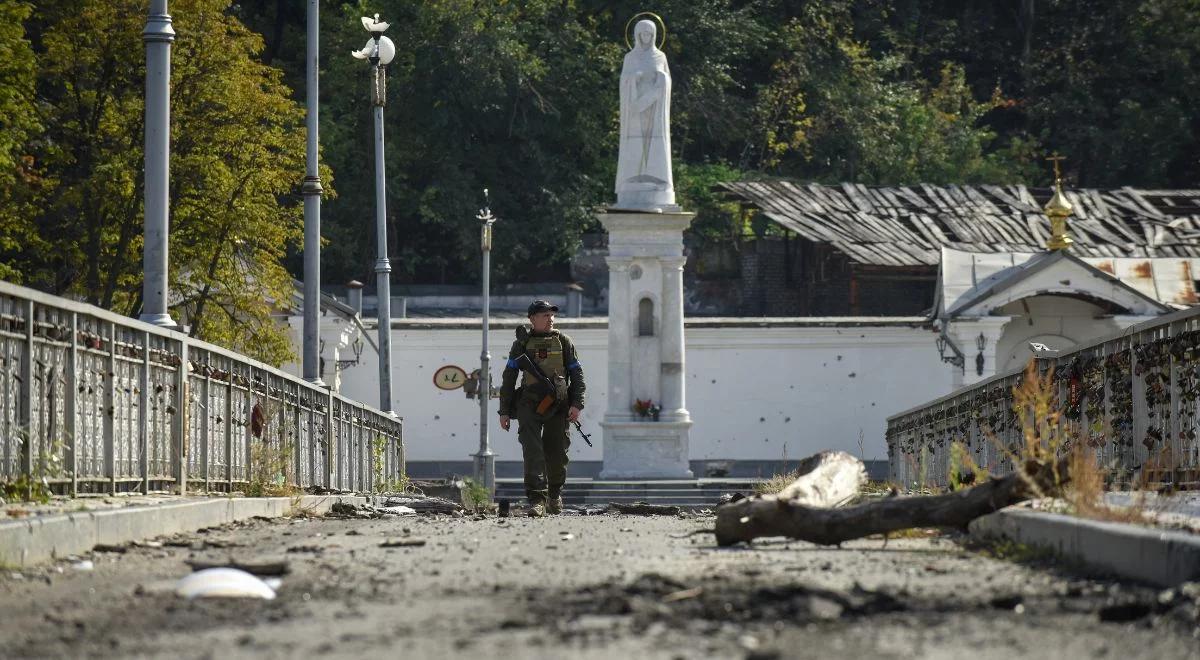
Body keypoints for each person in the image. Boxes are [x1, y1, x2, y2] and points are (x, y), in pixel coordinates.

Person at [498, 300, 585, 517]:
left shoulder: (564, 341)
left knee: (557, 452)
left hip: (558, 405)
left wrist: (576, 404)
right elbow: (509, 378)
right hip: (529, 403)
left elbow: (577, 375)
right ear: (532, 319)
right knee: (532, 452)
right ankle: (537, 500)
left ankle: (554, 496)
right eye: (545, 315)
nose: (550, 319)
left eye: (551, 315)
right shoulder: (521, 345)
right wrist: (505, 411)